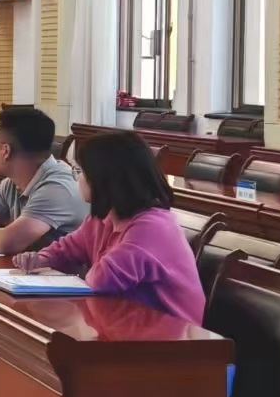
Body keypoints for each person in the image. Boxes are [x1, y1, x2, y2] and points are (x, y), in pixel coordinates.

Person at [14, 131, 205, 323]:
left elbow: (101, 280)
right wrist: (40, 259)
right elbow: (65, 250)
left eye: (81, 171)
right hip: (125, 322)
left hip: (171, 334)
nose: (78, 179)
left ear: (104, 178)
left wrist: (80, 271)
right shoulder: (103, 217)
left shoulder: (153, 227)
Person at [0, 108, 87, 255]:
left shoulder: (56, 188)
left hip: (66, 269)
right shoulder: (11, 183)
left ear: (6, 151)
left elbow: (7, 243)